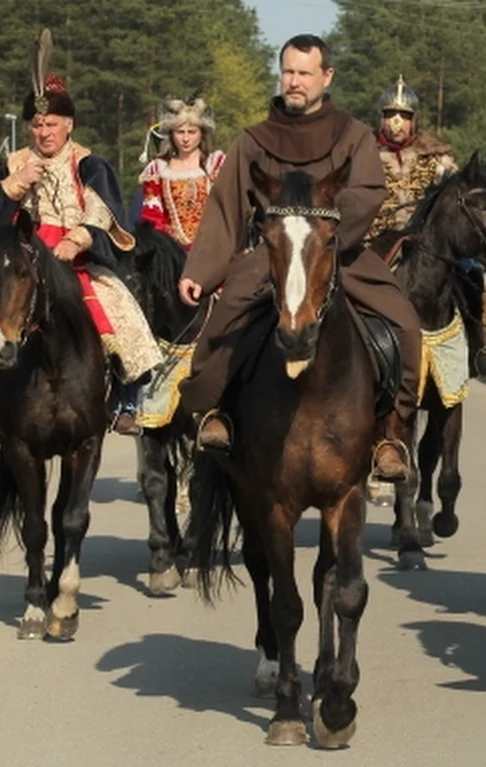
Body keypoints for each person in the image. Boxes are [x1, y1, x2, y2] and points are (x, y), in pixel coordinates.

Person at [176, 34, 422, 482]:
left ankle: (391, 433)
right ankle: (217, 414)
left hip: (337, 251)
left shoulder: (353, 134)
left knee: (404, 322)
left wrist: (321, 235)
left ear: (326, 77)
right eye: (288, 71)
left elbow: (367, 192)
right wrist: (201, 270)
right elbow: (227, 205)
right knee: (224, 318)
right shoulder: (253, 140)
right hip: (271, 253)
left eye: (304, 73)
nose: (294, 81)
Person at [0, 29, 163, 437]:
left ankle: (125, 403)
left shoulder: (90, 164)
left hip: (73, 262)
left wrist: (78, 237)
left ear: (69, 125)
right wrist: (14, 186)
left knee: (123, 309)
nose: (42, 132)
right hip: (20, 262)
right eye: (36, 124)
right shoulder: (13, 163)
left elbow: (107, 212)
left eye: (51, 124)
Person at [365, 76, 457, 239]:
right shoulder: (363, 155)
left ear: (413, 121)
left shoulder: (437, 158)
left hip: (424, 244)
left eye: (404, 116)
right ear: (382, 119)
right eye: (391, 115)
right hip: (373, 242)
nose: (397, 123)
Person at [137, 97, 227, 248]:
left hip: (214, 249)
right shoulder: (158, 170)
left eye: (192, 132)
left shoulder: (216, 165)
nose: (186, 138)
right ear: (172, 134)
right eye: (180, 132)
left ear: (201, 134)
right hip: (172, 252)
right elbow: (152, 216)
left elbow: (229, 208)